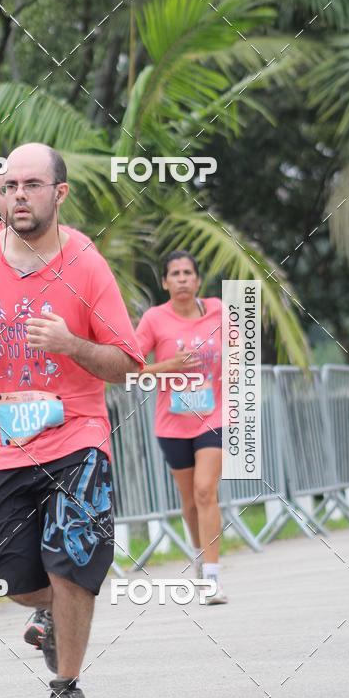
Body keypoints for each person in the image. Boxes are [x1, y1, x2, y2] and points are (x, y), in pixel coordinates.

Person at [0, 142, 142, 698]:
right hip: (1, 440)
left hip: (78, 435)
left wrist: (71, 346)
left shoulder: (85, 262)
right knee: (17, 580)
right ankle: (52, 611)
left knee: (71, 559)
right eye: (7, 186)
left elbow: (128, 363)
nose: (17, 196)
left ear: (60, 193)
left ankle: (66, 685)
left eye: (30, 185)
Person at [135, 250, 227, 605]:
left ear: (198, 280)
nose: (183, 279)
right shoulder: (154, 320)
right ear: (165, 282)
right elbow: (133, 368)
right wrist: (169, 365)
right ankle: (200, 556)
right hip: (172, 422)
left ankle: (213, 579)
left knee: (205, 491)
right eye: (175, 273)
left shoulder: (219, 311)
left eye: (189, 272)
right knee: (189, 501)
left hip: (214, 417)